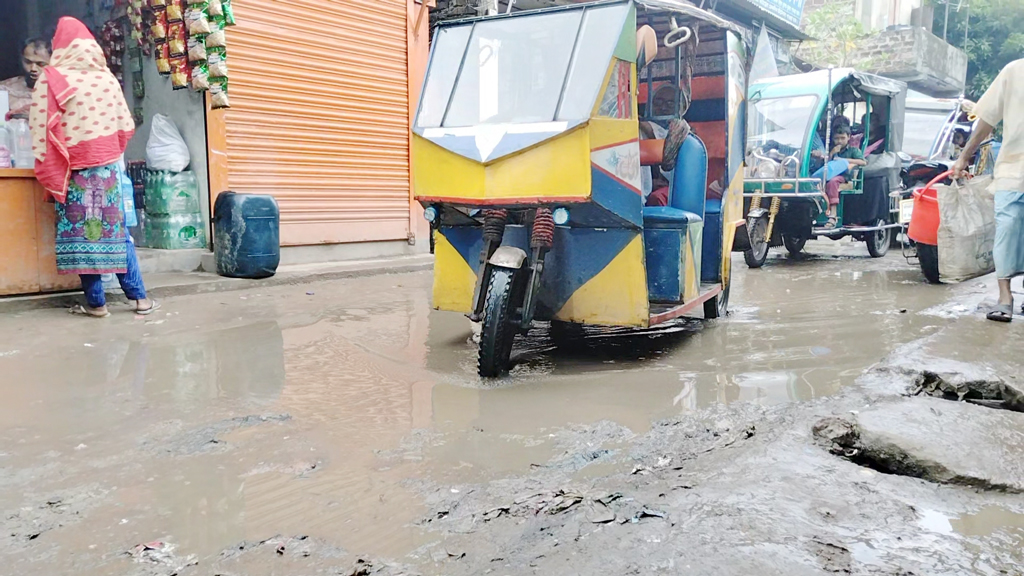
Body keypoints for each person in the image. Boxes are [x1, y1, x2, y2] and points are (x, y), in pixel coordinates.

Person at [30, 17, 158, 318]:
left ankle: (97, 304)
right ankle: (140, 300)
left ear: (58, 47)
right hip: (108, 170)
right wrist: (104, 150)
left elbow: (40, 128)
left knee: (82, 235)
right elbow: (126, 127)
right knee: (116, 233)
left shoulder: (52, 78)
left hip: (73, 172)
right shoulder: (107, 79)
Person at [953, 59, 1024, 323]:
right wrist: (964, 156)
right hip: (1014, 166)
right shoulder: (1013, 71)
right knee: (1007, 224)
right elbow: (987, 119)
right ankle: (1005, 297)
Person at [812, 125, 866, 226]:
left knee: (833, 182)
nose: (839, 141)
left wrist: (845, 161)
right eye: (837, 138)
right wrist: (831, 154)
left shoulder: (853, 150)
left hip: (845, 177)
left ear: (849, 137)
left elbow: (863, 162)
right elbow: (825, 164)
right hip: (829, 175)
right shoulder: (831, 150)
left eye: (842, 138)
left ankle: (833, 214)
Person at [1, 38, 51, 120]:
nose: (33, 68)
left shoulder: (65, 93)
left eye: (41, 64)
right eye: (28, 62)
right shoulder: (5, 89)